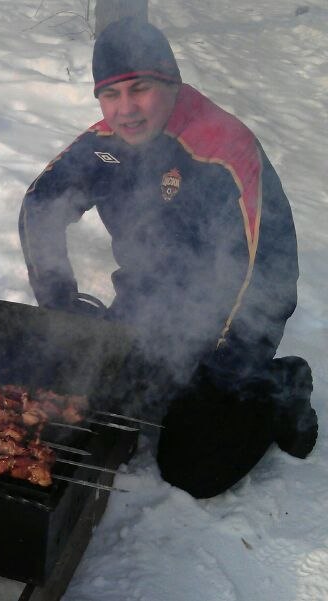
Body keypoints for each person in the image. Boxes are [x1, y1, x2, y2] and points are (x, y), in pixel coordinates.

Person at [19, 18, 317, 499]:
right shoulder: (104, 147)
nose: (125, 110)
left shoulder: (223, 151)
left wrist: (220, 377)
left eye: (140, 90)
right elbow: (39, 206)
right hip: (148, 309)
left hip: (229, 326)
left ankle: (279, 388)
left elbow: (270, 277)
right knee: (83, 402)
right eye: (110, 96)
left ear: (171, 83)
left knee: (191, 468)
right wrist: (61, 303)